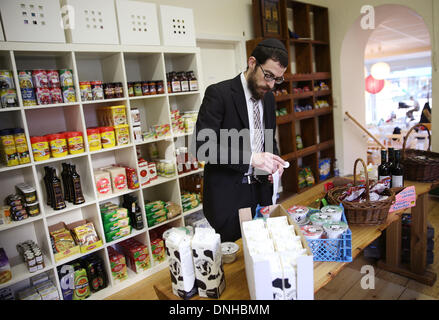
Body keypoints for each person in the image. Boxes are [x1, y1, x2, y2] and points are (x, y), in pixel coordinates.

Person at [194, 38, 288, 242]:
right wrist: (252, 159)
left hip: (262, 191)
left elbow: (268, 140)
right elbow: (202, 147)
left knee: (262, 248)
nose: (271, 84)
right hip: (229, 197)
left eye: (277, 79)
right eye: (268, 75)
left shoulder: (269, 98)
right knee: (235, 261)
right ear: (252, 62)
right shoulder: (219, 94)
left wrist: (273, 164)